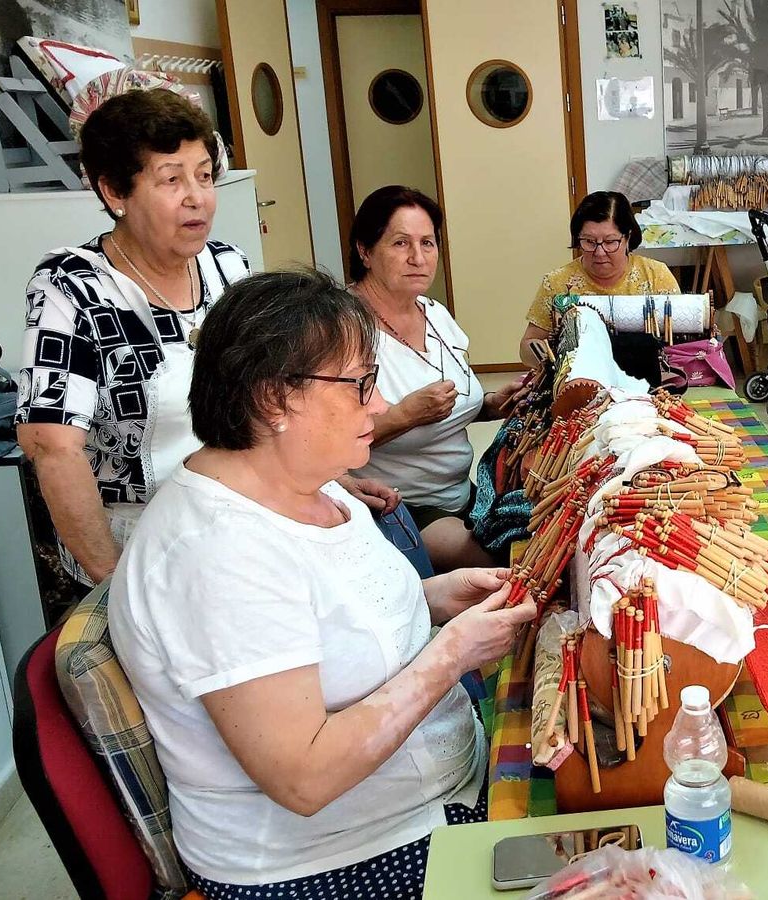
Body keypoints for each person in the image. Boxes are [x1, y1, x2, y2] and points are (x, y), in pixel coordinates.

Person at [108, 270, 537, 898]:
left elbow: (324, 626)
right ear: (273, 400)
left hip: (432, 792)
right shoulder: (216, 553)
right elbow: (302, 777)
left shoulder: (319, 485)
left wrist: (436, 599)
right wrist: (452, 654)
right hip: (339, 860)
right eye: (362, 384)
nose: (380, 405)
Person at [15, 88, 393, 585]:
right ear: (114, 193)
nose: (197, 197)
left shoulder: (227, 267)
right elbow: (53, 447)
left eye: (205, 176)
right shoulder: (74, 287)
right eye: (172, 180)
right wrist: (116, 588)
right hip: (148, 547)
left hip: (251, 522)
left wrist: (333, 479)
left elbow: (286, 398)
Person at [345, 186, 529, 570]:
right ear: (365, 250)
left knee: (542, 522)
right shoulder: (343, 329)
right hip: (402, 502)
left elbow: (449, 405)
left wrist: (492, 404)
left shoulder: (434, 313)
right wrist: (406, 415)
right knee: (509, 562)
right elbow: (326, 441)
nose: (418, 258)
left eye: (427, 243)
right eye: (400, 243)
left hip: (461, 492)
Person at [519, 190, 679, 367]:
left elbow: (681, 342)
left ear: (628, 237)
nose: (599, 252)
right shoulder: (558, 282)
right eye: (589, 241)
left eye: (610, 242)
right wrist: (550, 360)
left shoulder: (655, 275)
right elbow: (528, 346)